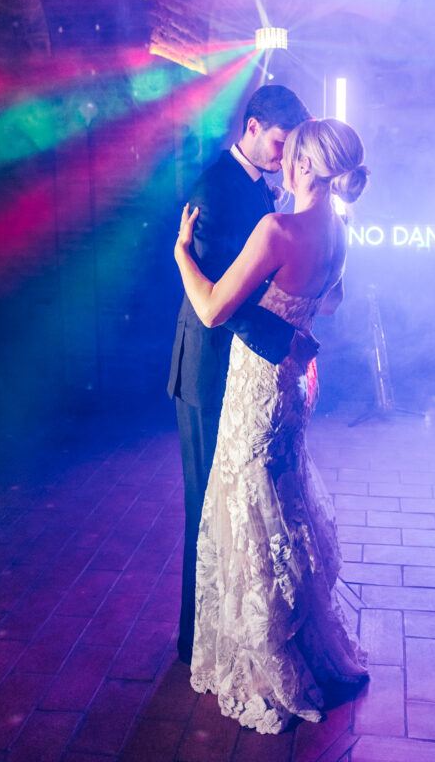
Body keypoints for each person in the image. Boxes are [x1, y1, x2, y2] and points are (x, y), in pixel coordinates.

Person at [173, 117, 370, 734]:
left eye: (291, 155)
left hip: (257, 388)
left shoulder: (277, 229)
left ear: (305, 167)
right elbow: (327, 304)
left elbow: (209, 309)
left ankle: (268, 658)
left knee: (249, 511)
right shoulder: (339, 231)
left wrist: (181, 251)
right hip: (290, 385)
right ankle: (305, 641)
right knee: (281, 504)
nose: (282, 162)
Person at [167, 85, 313, 665]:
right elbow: (223, 303)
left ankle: (234, 633)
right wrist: (289, 344)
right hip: (208, 364)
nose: (283, 156)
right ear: (252, 128)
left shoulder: (257, 185)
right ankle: (194, 642)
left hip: (245, 365)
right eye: (279, 143)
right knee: (205, 508)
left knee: (237, 509)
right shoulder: (214, 190)